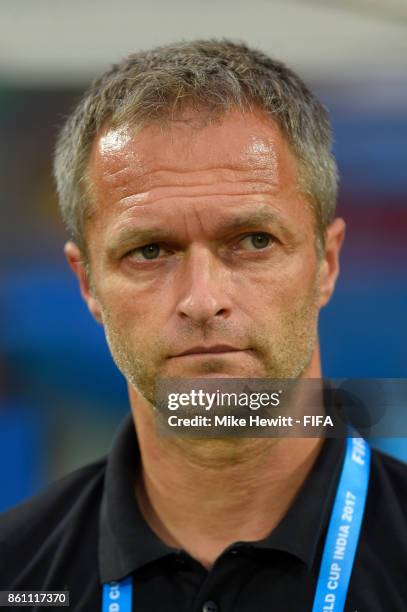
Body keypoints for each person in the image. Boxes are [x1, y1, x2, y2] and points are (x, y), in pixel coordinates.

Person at [0, 39, 406, 612]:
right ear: (88, 283)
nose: (202, 299)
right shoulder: (16, 572)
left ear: (326, 262)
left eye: (253, 241)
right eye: (150, 250)